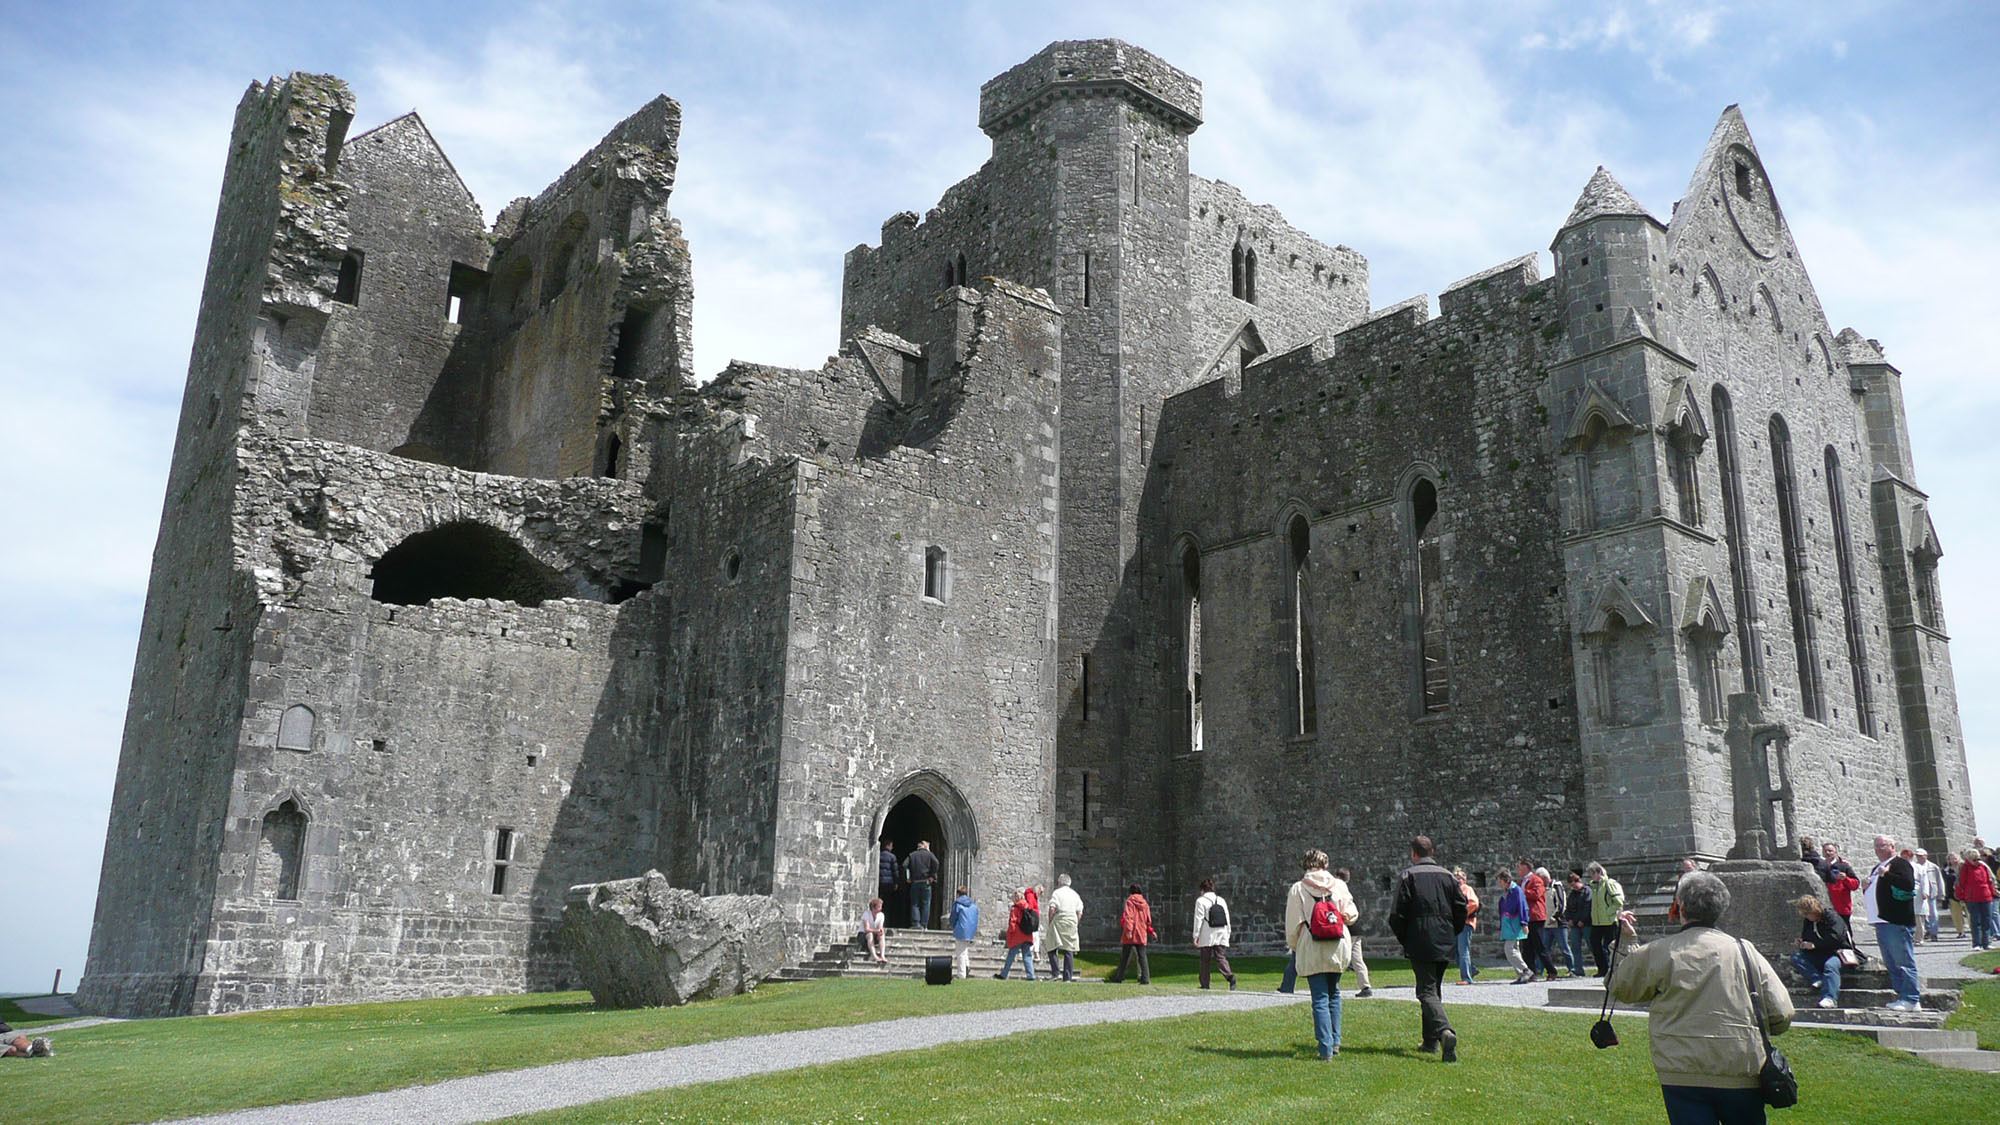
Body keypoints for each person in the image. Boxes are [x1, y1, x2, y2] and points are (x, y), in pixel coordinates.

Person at [1609, 871, 1793, 1125]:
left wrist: (1626, 941)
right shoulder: (1744, 950)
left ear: (1681, 907)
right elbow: (1782, 1012)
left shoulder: (1661, 951)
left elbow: (1621, 986)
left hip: (1681, 1072)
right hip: (1740, 1067)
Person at [1388, 835, 1467, 1062]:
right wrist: (1453, 931)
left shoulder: (1408, 875)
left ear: (1414, 854)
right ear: (1432, 852)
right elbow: (1461, 907)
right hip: (1444, 937)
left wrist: (1405, 938)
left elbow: (1396, 914)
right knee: (1434, 990)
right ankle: (1430, 1041)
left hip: (1420, 938)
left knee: (1426, 991)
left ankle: (1444, 1031)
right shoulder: (1448, 876)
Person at [1284, 848, 1358, 1060]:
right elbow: (1352, 915)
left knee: (1319, 997)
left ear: (1306, 865)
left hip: (1312, 943)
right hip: (1338, 942)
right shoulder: (1339, 885)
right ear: (1325, 865)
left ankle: (1325, 1048)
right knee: (1334, 993)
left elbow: (1292, 924)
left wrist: (1295, 946)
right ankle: (1335, 1042)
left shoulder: (1299, 889)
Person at [1866, 834, 1922, 1011]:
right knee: (1891, 962)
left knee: (1903, 960)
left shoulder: (1900, 863)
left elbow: (1907, 884)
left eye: (1882, 845)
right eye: (1876, 846)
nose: (1878, 849)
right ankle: (1902, 997)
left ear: (1892, 846)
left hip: (1895, 920)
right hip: (1881, 921)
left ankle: (1911, 999)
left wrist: (1887, 875)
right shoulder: (1878, 867)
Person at [1792, 894, 1848, 1010]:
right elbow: (1807, 936)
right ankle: (1817, 979)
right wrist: (1802, 942)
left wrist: (1815, 944)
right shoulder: (1809, 921)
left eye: (1808, 914)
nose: (1807, 917)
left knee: (1830, 966)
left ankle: (1830, 998)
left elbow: (1837, 937)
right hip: (1819, 954)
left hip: (1837, 953)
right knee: (1796, 958)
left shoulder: (1831, 917)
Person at [1192, 877, 1238, 991]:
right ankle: (1230, 976)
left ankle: (1205, 983)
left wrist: (1195, 936)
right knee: (1221, 957)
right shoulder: (1221, 900)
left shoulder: (1200, 901)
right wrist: (1228, 932)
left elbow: (1198, 919)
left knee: (1205, 960)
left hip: (1207, 933)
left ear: (1202, 890)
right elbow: (1227, 917)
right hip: (1221, 932)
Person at [1334, 868, 1375, 997]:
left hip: (1346, 929)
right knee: (1357, 959)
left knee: (1338, 957)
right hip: (1356, 928)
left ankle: (1333, 986)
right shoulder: (1351, 891)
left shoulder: (1338, 891)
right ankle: (1365, 986)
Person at [1106, 884, 1155, 984]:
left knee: (1125, 956)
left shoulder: (1129, 901)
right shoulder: (1145, 903)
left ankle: (1119, 977)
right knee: (1142, 956)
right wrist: (1151, 931)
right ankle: (1145, 978)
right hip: (1141, 931)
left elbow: (1129, 917)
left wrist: (1128, 931)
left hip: (1132, 933)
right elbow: (1148, 919)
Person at [1587, 862, 1625, 978]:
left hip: (1609, 922)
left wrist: (1609, 912)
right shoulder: (1594, 886)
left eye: (1592, 873)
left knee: (1609, 947)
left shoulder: (1609, 884)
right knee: (1595, 945)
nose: (1591, 876)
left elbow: (1619, 901)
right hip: (1597, 922)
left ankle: (1612, 969)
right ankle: (1602, 969)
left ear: (1598, 872)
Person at [1957, 846, 1997, 950]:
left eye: (1979, 858)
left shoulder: (1983, 867)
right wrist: (1962, 897)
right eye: (1974, 859)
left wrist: (1993, 892)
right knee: (1976, 921)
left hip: (1986, 897)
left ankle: (1986, 943)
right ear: (1969, 859)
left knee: (1987, 920)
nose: (1977, 861)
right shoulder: (1965, 868)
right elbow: (1961, 883)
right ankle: (1976, 944)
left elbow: (1989, 881)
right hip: (1972, 898)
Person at [1045, 873, 1083, 981]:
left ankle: (1056, 972)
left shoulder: (1057, 893)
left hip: (1060, 918)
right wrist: (1075, 923)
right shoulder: (1075, 894)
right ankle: (1067, 977)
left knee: (1051, 944)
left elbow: (1052, 908)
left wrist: (1050, 922)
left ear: (1060, 882)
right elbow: (1080, 912)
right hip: (1072, 919)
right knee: (1069, 948)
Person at [1496, 869, 1531, 984]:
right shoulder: (1507, 892)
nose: (1499, 884)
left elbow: (1522, 906)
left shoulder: (1516, 891)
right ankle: (1521, 974)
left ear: (1506, 880)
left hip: (1514, 924)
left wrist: (1524, 922)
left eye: (1500, 881)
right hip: (1508, 925)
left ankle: (1525, 970)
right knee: (1515, 949)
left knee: (1509, 949)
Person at [1520, 860, 1552, 981]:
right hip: (1527, 917)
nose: (1519, 871)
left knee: (1539, 946)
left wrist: (1522, 891)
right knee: (1527, 948)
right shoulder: (1523, 881)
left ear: (1527, 868)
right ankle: (1531, 973)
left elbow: (1537, 894)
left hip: (1536, 916)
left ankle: (1551, 971)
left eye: (1520, 868)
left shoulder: (1536, 880)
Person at [995, 889, 1038, 980]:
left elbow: (1012, 923)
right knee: (1027, 955)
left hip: (1017, 936)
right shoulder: (1028, 907)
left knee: (1011, 955)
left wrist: (1009, 935)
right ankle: (1031, 975)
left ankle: (1004, 974)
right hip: (1027, 935)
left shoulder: (1015, 908)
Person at [1453, 866, 1481, 985]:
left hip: (1465, 923)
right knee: (1456, 952)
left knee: (1463, 950)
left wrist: (1462, 914)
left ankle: (1466, 978)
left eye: (1461, 877)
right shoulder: (1455, 891)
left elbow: (1474, 903)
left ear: (1465, 879)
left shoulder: (1466, 889)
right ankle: (1471, 970)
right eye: (1456, 877)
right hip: (1457, 924)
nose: (1458, 879)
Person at [1563, 868, 1592, 978]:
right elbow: (1568, 908)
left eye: (1573, 884)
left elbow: (1588, 907)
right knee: (1575, 947)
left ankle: (1603, 966)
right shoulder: (1573, 894)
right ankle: (1578, 969)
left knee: (1592, 946)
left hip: (1586, 925)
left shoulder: (1587, 891)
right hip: (1575, 925)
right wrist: (1569, 919)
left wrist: (1582, 920)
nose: (1573, 887)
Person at [903, 840, 939, 929]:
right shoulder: (929, 854)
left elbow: (904, 865)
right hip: (926, 882)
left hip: (915, 882)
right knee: (926, 903)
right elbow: (936, 863)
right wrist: (932, 875)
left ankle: (916, 924)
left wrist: (908, 877)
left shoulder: (912, 855)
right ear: (926, 847)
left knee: (915, 903)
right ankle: (924, 924)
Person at [1913, 849, 1944, 944]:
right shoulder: (1915, 866)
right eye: (1917, 855)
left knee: (1933, 913)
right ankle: (1927, 931)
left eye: (1921, 855)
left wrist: (1941, 893)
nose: (1919, 857)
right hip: (1919, 894)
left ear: (1926, 856)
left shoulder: (1933, 867)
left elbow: (1939, 880)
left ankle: (1934, 933)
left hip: (1931, 893)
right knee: (1922, 914)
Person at [949, 885, 980, 979]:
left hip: (961, 929)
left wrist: (953, 925)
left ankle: (961, 974)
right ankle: (967, 967)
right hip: (970, 930)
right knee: (964, 950)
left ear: (958, 894)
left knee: (960, 952)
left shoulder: (957, 904)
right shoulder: (973, 905)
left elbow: (953, 917)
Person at [1943, 852, 1967, 939]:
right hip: (1952, 895)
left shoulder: (1964, 867)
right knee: (1956, 915)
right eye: (1950, 858)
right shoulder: (1946, 870)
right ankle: (1960, 932)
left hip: (1966, 894)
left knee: (1970, 914)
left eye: (1954, 858)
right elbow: (1945, 882)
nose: (1953, 860)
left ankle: (1974, 930)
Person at [861, 896, 888, 964]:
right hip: (863, 936)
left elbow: (880, 927)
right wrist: (876, 931)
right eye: (879, 907)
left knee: (882, 935)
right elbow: (866, 929)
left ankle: (882, 955)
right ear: (873, 908)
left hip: (874, 935)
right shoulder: (866, 914)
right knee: (870, 934)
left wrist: (880, 932)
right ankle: (874, 956)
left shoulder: (881, 915)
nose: (881, 909)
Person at [878, 838, 900, 922]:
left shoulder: (879, 855)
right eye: (891, 846)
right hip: (889, 883)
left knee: (879, 901)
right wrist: (896, 883)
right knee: (887, 903)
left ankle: (878, 919)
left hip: (880, 882)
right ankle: (885, 921)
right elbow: (895, 871)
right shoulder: (892, 857)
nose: (892, 847)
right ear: (888, 846)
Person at [1024, 883, 1044, 971]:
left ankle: (1036, 953)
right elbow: (1030, 906)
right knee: (1034, 935)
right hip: (1032, 918)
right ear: (1037, 889)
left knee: (1035, 936)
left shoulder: (1032, 895)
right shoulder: (1030, 895)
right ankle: (1035, 953)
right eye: (1041, 891)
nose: (1041, 894)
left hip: (1034, 917)